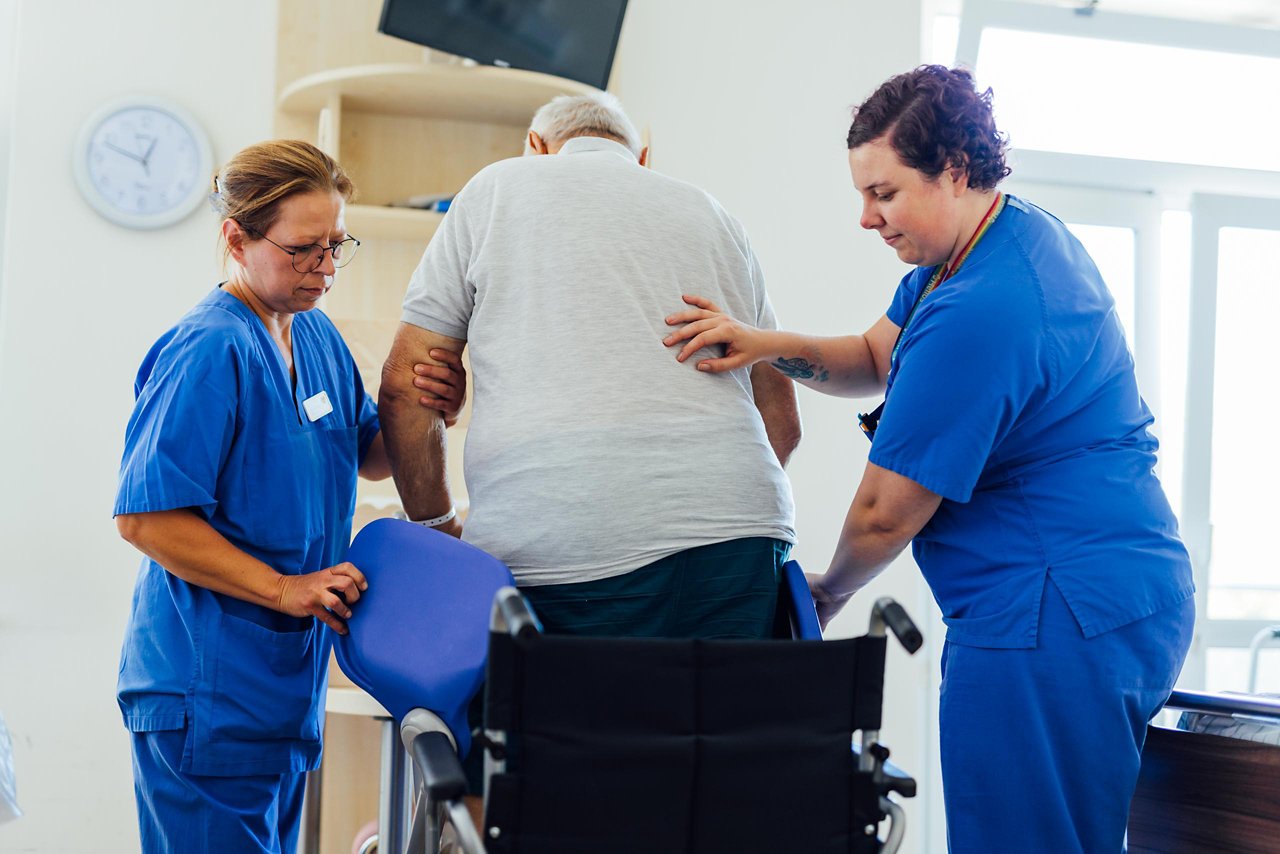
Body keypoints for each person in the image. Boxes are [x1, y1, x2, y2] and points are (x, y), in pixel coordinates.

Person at [662, 65, 1195, 853]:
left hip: (1053, 612)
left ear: (953, 169)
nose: (867, 218)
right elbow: (874, 356)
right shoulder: (990, 243)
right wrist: (764, 345)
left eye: (884, 193)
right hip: (1111, 593)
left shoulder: (986, 305)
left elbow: (885, 513)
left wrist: (828, 589)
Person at [112, 140, 463, 853]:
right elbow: (146, 519)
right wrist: (283, 588)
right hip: (205, 688)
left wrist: (433, 409)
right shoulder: (209, 349)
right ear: (235, 237)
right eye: (304, 249)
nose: (326, 268)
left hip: (276, 690)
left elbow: (365, 457)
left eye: (337, 245)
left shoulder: (317, 336)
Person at [381, 92, 801, 641]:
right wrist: (709, 501)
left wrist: (437, 527)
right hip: (740, 543)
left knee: (572, 726)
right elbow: (782, 417)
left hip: (557, 538)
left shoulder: (496, 189)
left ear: (536, 146)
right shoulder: (714, 215)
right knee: (716, 724)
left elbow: (405, 384)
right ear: (642, 156)